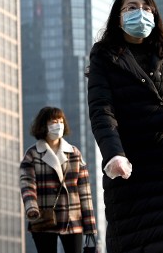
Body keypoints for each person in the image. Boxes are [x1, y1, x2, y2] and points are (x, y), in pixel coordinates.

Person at [87, 0, 163, 253]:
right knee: (137, 243)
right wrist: (114, 155)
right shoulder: (104, 55)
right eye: (130, 8)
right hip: (129, 170)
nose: (139, 13)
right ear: (118, 18)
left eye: (146, 8)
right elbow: (101, 111)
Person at [19, 106, 97, 253]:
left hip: (72, 218)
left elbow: (85, 193)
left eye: (61, 121)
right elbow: (27, 184)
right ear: (43, 125)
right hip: (43, 218)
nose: (58, 125)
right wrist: (31, 208)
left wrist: (90, 227)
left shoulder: (74, 153)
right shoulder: (32, 154)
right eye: (54, 121)